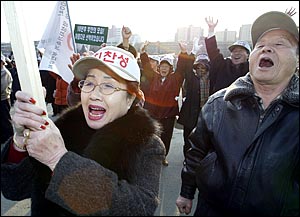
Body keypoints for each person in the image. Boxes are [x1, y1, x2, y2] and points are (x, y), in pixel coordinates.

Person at [1, 46, 165, 216]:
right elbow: (13, 190)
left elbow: (139, 208)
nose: (94, 94)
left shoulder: (147, 144)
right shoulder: (60, 129)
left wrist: (58, 160)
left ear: (131, 98)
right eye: (89, 83)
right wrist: (20, 142)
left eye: (108, 85)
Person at [176, 11, 299, 216]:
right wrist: (186, 192)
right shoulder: (217, 104)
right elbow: (196, 153)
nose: (266, 48)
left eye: (280, 44)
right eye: (260, 44)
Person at [140, 42, 189, 166]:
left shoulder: (176, 79)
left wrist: (183, 52)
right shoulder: (153, 77)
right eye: (162, 66)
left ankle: (163, 156)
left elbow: (182, 68)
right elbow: (146, 66)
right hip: (153, 114)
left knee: (166, 138)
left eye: (166, 67)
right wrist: (143, 52)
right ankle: (148, 156)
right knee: (151, 136)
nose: (164, 68)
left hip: (168, 115)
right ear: (158, 68)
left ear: (170, 69)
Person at [205, 16, 251, 95]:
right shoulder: (223, 65)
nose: (236, 53)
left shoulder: (252, 69)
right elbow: (213, 51)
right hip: (220, 104)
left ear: (248, 55)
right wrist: (211, 30)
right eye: (234, 51)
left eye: (240, 51)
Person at [177, 52, 210, 158]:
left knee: (202, 139)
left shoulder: (211, 80)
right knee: (187, 138)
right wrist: (189, 54)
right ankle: (187, 157)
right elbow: (187, 68)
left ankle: (198, 158)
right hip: (190, 116)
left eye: (203, 68)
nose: (200, 70)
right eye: (198, 68)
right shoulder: (192, 79)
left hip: (205, 115)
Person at [1, 53, 13, 144]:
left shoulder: (4, 72)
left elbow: (2, 87)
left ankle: (9, 137)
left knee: (5, 119)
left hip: (3, 99)